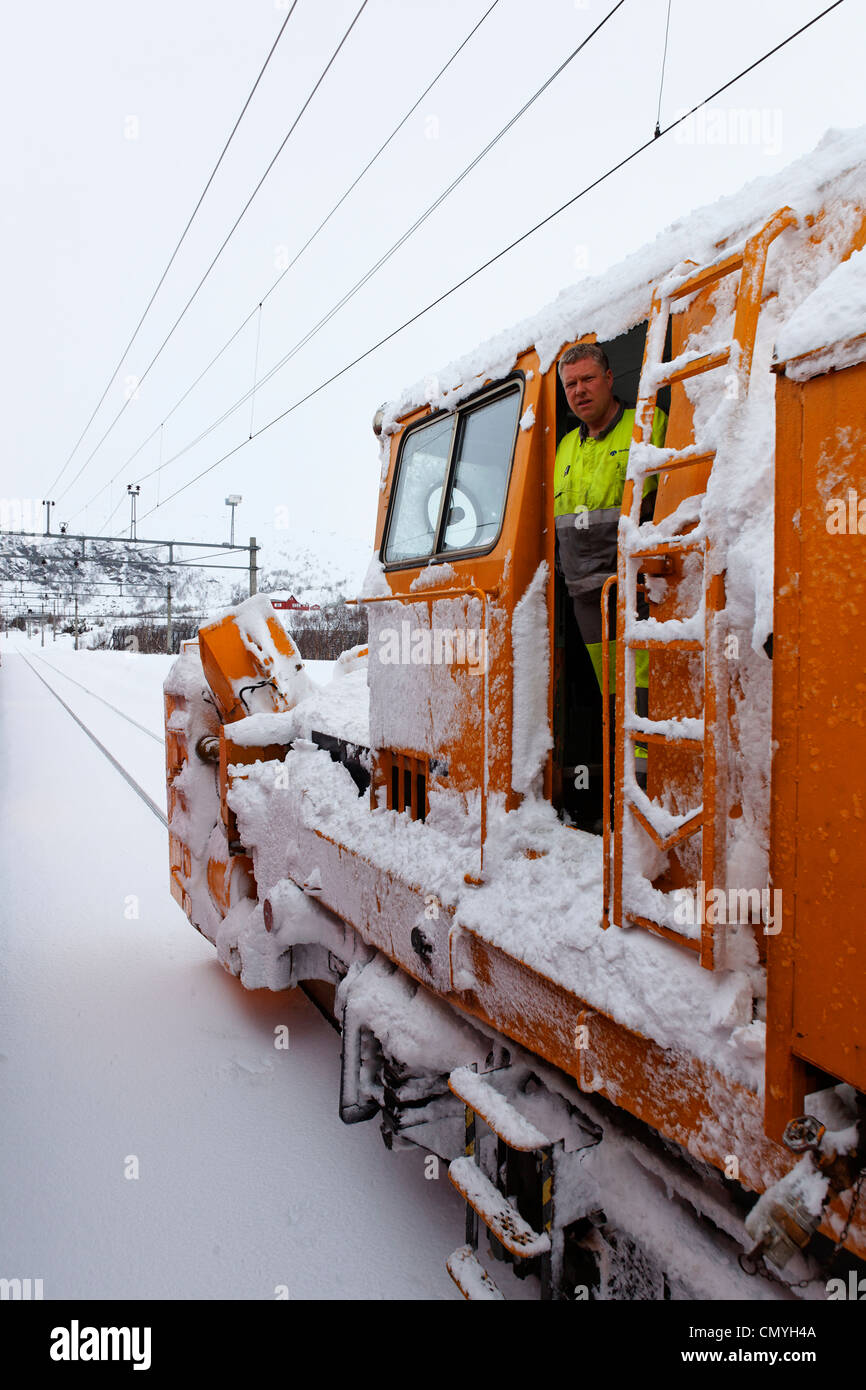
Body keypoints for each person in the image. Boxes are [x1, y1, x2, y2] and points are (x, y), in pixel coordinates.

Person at [554, 343, 667, 805]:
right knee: (615, 703)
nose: (579, 391)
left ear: (609, 379)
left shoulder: (648, 427)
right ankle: (624, 799)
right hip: (585, 599)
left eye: (587, 379)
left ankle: (648, 802)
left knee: (645, 701)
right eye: (570, 385)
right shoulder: (563, 446)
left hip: (635, 591)